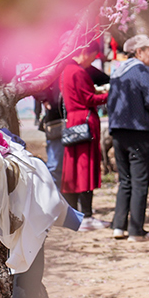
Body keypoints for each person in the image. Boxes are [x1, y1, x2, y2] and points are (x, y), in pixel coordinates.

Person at [108, 35, 149, 242]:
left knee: (125, 181)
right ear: (139, 52)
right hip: (139, 132)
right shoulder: (142, 70)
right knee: (140, 182)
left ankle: (118, 226)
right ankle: (136, 231)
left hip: (118, 132)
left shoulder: (117, 71)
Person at [60, 42, 109, 231]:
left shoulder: (66, 70)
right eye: (93, 56)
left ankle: (73, 214)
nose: (93, 60)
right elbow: (88, 99)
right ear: (84, 52)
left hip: (73, 121)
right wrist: (108, 94)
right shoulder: (79, 71)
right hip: (84, 121)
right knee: (85, 169)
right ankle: (86, 216)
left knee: (72, 169)